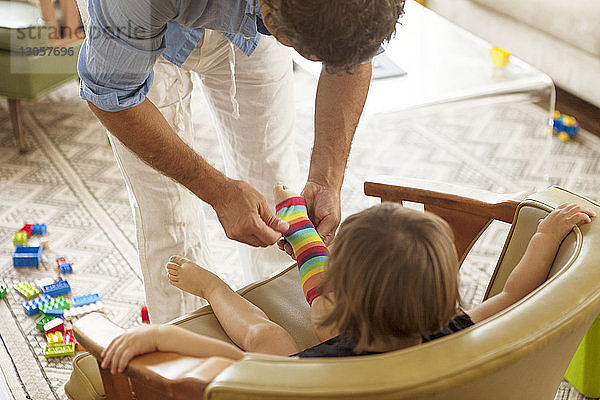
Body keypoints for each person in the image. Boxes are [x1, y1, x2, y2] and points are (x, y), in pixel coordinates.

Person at [76, 0, 407, 323]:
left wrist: (326, 179)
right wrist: (217, 191)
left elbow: (353, 58)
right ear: (272, 19)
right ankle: (184, 358)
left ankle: (288, 321)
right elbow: (112, 97)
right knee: (167, 214)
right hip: (140, 17)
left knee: (277, 194)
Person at [100, 184, 595, 373]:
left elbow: (238, 360)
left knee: (265, 337)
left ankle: (215, 286)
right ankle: (303, 238)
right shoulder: (457, 331)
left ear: (339, 297)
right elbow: (515, 291)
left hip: (307, 373)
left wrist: (163, 333)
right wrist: (545, 235)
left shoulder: (314, 367)